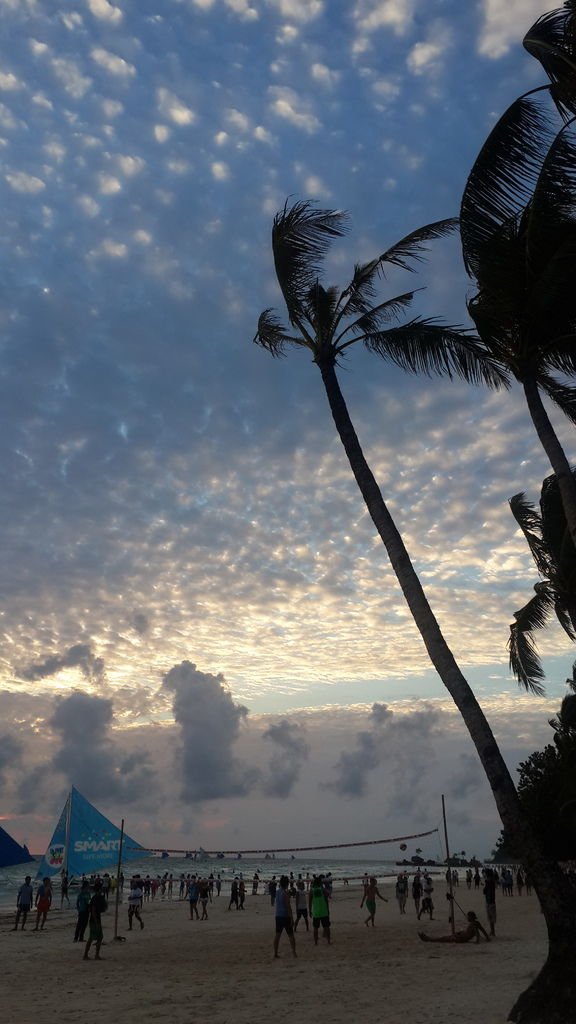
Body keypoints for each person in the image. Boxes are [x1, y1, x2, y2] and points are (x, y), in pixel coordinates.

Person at [418, 911, 491, 944]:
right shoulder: (476, 923)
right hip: (461, 936)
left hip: (461, 939)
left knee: (443, 939)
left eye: (468, 916)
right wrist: (487, 937)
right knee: (444, 938)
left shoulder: (473, 924)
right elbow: (483, 930)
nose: (467, 918)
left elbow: (477, 932)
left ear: (471, 917)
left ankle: (428, 939)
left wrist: (477, 942)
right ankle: (427, 938)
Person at [273, 875, 296, 959]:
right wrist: (292, 918)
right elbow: (288, 906)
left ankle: (275, 953)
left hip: (278, 916)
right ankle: (294, 952)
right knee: (291, 935)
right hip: (285, 916)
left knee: (277, 935)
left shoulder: (277, 892)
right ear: (287, 884)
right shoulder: (285, 893)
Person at [83, 880, 107, 960]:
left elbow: (101, 909)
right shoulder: (95, 898)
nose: (102, 889)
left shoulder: (99, 897)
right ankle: (91, 955)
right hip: (94, 920)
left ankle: (90, 955)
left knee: (95, 937)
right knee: (97, 937)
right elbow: (93, 910)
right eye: (101, 888)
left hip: (96, 919)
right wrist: (97, 922)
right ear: (99, 889)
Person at [309, 875, 331, 945]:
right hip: (324, 911)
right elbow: (328, 896)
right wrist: (328, 909)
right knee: (327, 927)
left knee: (315, 928)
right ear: (320, 883)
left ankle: (316, 942)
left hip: (316, 912)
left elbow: (309, 902)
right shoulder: (322, 890)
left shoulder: (312, 890)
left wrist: (309, 911)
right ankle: (328, 941)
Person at [483, 869, 497, 937]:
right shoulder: (492, 881)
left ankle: (492, 931)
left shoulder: (489, 882)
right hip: (491, 901)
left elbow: (485, 891)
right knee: (491, 917)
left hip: (489, 901)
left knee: (490, 917)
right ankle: (492, 931)